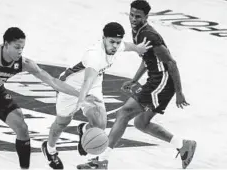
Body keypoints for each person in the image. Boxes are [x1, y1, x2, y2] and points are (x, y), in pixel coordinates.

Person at [76, 1, 197, 169]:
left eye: (137, 16)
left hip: (162, 82)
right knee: (141, 123)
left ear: (146, 17)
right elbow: (148, 59)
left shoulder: (148, 35)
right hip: (157, 80)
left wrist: (179, 92)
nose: (133, 19)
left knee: (124, 113)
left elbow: (171, 63)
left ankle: (101, 160)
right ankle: (183, 144)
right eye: (131, 15)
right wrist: (134, 80)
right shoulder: (137, 31)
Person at [0, 27, 81, 169]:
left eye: (22, 48)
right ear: (5, 44)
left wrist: (81, 95)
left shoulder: (23, 63)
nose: (20, 51)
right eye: (17, 47)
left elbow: (53, 81)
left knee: (22, 128)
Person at [41, 22, 152, 169]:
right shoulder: (94, 55)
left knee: (100, 124)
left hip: (94, 85)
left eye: (117, 42)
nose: (115, 46)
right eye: (112, 41)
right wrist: (82, 101)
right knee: (62, 123)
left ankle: (85, 130)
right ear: (103, 38)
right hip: (70, 85)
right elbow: (86, 80)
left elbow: (126, 46)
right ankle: (50, 149)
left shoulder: (117, 47)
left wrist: (138, 48)